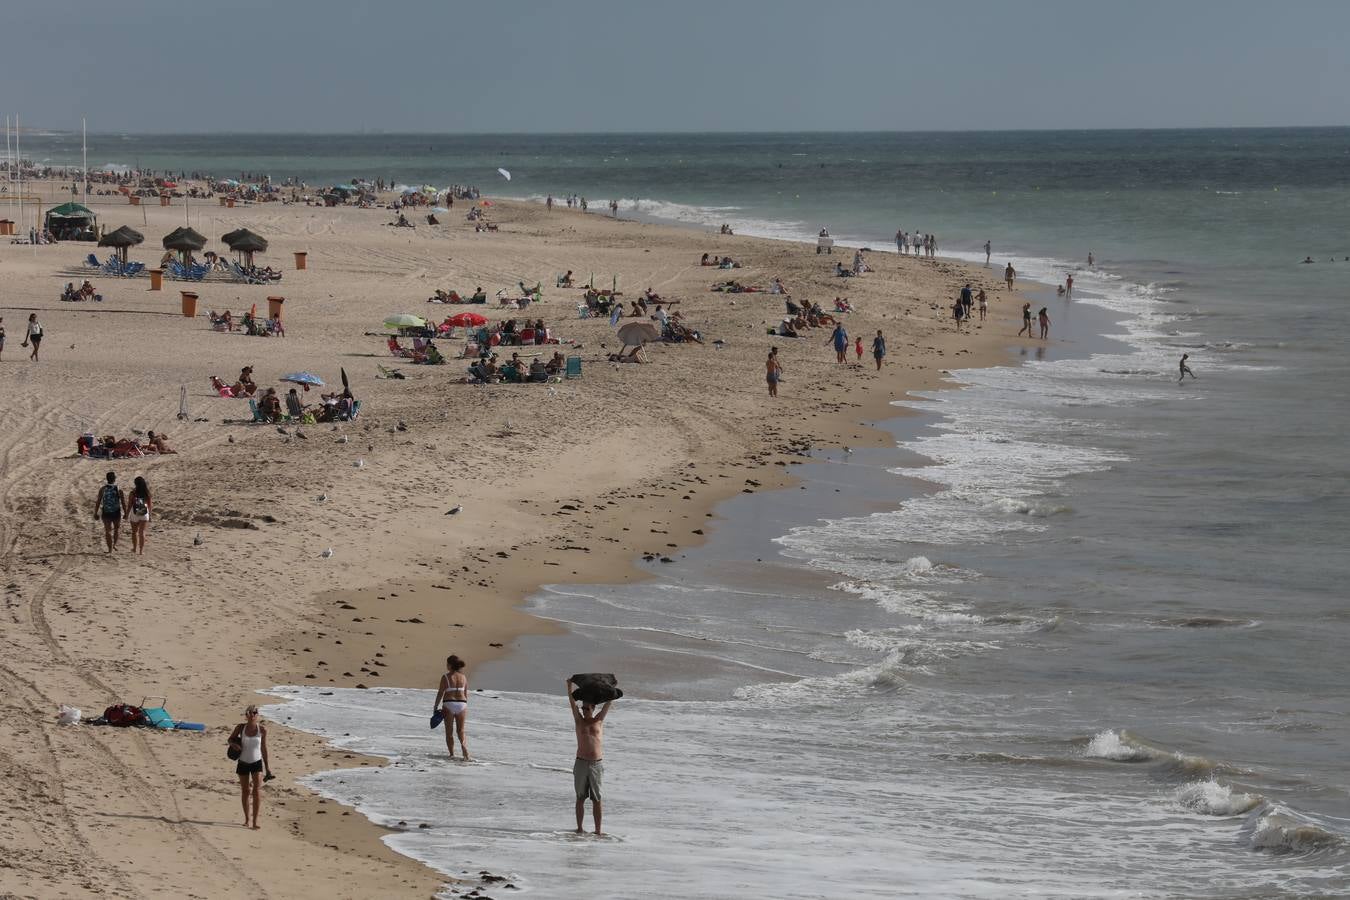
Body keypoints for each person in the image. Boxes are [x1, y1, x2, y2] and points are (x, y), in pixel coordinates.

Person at [567, 680, 612, 835]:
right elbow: (572, 704)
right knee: (580, 797)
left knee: (596, 799)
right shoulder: (579, 721)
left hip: (596, 765)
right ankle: (579, 829)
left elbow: (608, 703)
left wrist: (611, 688)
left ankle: (598, 831)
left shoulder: (599, 720)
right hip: (581, 763)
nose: (584, 710)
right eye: (583, 708)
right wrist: (569, 686)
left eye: (587, 708)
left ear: (593, 708)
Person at [229, 705, 272, 830]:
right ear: (246, 714)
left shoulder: (262, 730)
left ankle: (255, 821)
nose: (253, 714)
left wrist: (267, 767)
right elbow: (230, 739)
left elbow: (264, 748)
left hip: (256, 763)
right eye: (250, 712)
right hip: (242, 762)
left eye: (255, 712)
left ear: (257, 714)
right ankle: (247, 819)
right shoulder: (240, 727)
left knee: (256, 791)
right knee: (245, 791)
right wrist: (234, 745)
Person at [433, 655, 470, 759]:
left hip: (449, 703)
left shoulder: (445, 677)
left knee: (449, 731)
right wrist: (464, 706)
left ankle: (452, 754)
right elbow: (466, 694)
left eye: (447, 664)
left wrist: (435, 706)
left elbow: (440, 693)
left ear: (450, 665)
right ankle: (464, 747)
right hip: (462, 704)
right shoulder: (463, 677)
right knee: (461, 730)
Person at [94, 471, 125, 553]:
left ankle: (110, 549)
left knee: (108, 531)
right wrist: (125, 512)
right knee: (116, 529)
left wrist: (95, 512)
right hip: (116, 512)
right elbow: (123, 502)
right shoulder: (119, 489)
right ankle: (114, 545)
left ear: (107, 479)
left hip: (106, 512)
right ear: (115, 479)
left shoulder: (103, 489)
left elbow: (98, 502)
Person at [126, 476, 151, 555]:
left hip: (135, 513)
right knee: (142, 532)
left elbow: (129, 505)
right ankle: (141, 551)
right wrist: (150, 515)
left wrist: (126, 514)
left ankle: (134, 548)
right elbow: (150, 505)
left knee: (134, 532)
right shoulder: (147, 492)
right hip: (144, 512)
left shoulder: (133, 493)